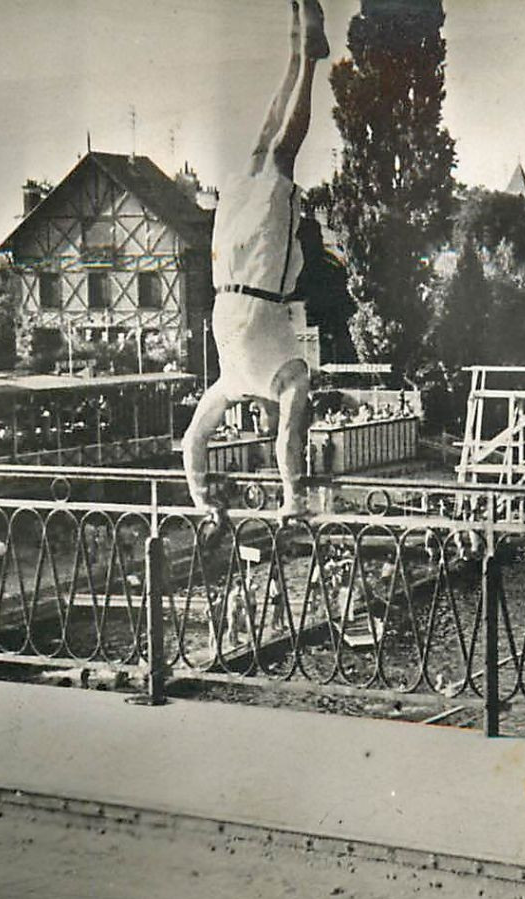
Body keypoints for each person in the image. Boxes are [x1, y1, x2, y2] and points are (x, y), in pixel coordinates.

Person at [182, 0, 330, 525]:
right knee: (272, 153)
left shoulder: (269, 380)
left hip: (246, 279)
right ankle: (304, 57)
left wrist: (209, 504)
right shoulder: (261, 382)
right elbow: (198, 443)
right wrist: (288, 502)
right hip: (237, 276)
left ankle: (302, 56)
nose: (266, 421)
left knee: (267, 152)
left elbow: (197, 442)